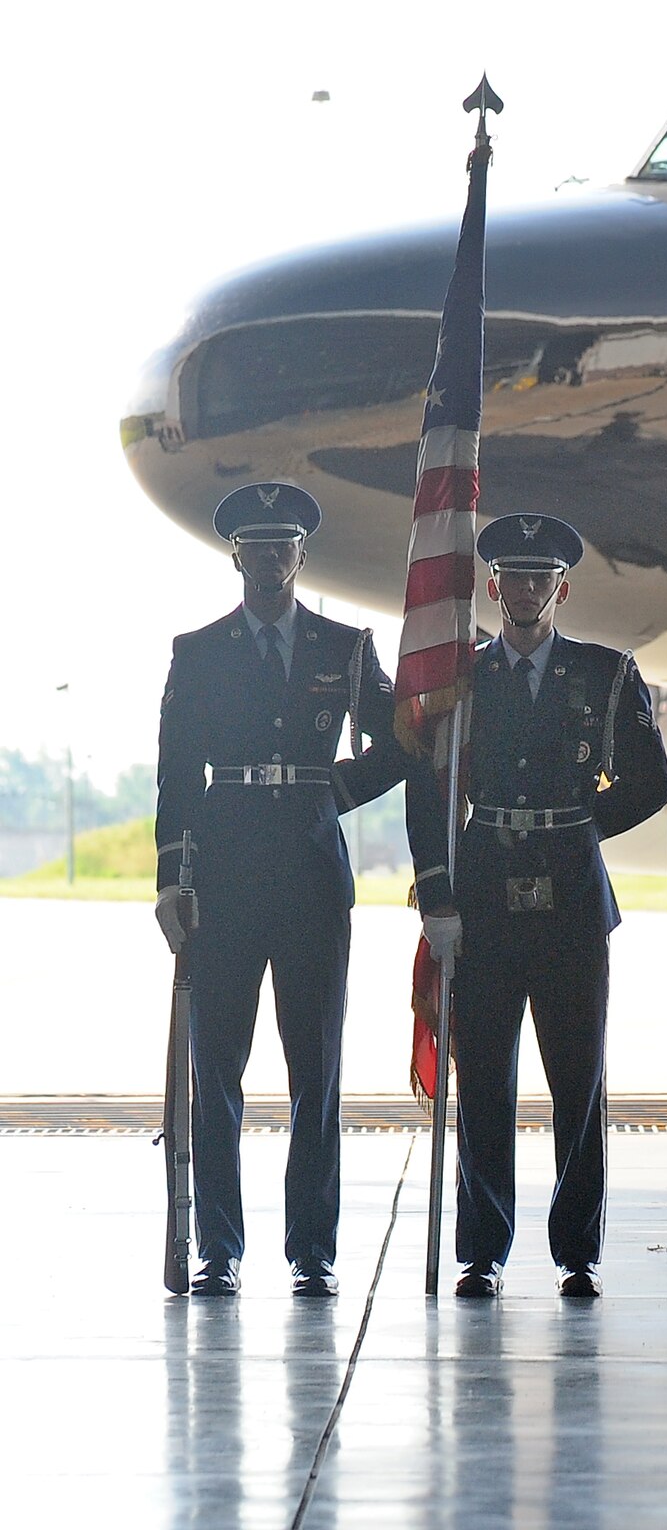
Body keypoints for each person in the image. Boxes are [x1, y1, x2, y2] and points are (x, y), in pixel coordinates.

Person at [154, 481, 410, 1298]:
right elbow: (173, 778)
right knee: (216, 1072)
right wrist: (171, 879)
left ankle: (312, 1252)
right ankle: (218, 1251)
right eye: (256, 546)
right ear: (237, 555)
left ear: (304, 554)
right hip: (224, 870)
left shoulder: (345, 645)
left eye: (284, 545)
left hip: (309, 868)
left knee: (316, 1072)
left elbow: (401, 738)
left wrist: (340, 789)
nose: (270, 558)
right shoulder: (198, 650)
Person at [408, 514, 667, 1299]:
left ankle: (576, 1252)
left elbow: (651, 782)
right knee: (484, 1077)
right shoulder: (462, 676)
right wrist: (438, 895)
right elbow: (429, 792)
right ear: (491, 587)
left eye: (540, 579)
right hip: (485, 884)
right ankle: (481, 1250)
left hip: (571, 895)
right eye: (512, 578)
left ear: (562, 587)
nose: (525, 592)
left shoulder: (606, 672)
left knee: (577, 1081)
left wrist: (583, 824)